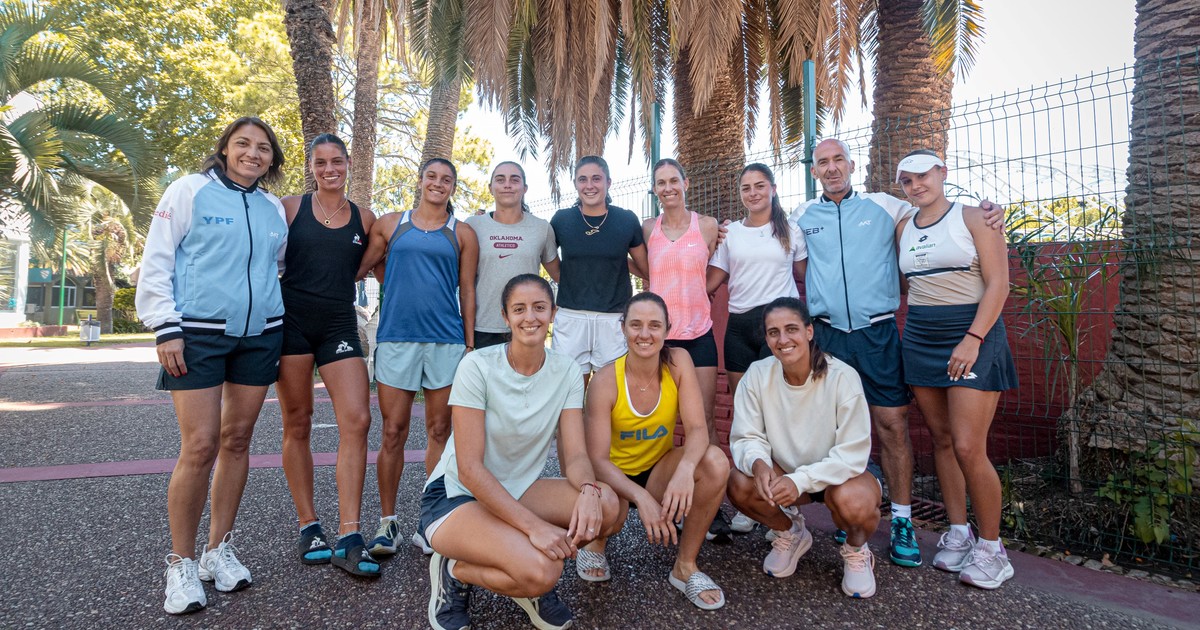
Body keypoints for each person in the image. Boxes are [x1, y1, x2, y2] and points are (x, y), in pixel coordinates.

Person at [789, 138, 1004, 567]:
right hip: (828, 337)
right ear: (813, 171)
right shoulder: (801, 215)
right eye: (822, 162)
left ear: (852, 165)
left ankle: (902, 520)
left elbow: (936, 217)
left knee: (891, 425)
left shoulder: (889, 207)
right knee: (833, 430)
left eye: (838, 160)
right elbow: (791, 258)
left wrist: (989, 212)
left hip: (878, 333)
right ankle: (846, 512)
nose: (831, 168)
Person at [136, 117, 288, 614]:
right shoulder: (189, 191)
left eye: (263, 148)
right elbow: (158, 258)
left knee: (238, 440)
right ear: (224, 149)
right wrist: (165, 326)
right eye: (243, 144)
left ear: (271, 159)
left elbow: (275, 266)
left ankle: (217, 550)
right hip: (196, 334)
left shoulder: (272, 209)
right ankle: (179, 563)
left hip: (259, 336)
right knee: (200, 445)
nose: (253, 153)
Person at [421, 274, 622, 630]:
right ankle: (455, 571)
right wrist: (535, 529)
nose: (530, 317)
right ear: (505, 316)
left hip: (518, 488)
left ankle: (519, 561)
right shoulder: (477, 366)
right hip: (456, 495)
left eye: (539, 307)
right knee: (544, 572)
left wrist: (589, 489)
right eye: (519, 309)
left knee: (607, 505)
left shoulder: (567, 370)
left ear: (553, 313)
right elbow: (469, 469)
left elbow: (576, 455)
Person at [894, 150, 1017, 589]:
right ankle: (959, 533)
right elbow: (909, 284)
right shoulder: (903, 226)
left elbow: (999, 284)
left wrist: (973, 338)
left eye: (923, 176)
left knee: (968, 446)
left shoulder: (977, 217)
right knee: (942, 441)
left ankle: (992, 549)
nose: (916, 186)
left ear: (942, 173)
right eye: (907, 181)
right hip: (921, 337)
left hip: (972, 335)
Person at [356, 158, 479, 557]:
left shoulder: (462, 233)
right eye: (432, 177)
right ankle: (388, 523)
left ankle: (431, 523)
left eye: (446, 179)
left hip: (446, 341)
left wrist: (470, 344)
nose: (438, 184)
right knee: (393, 431)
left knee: (440, 432)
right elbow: (363, 267)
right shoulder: (391, 224)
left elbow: (467, 290)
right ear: (421, 180)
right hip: (397, 339)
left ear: (453, 187)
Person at [726, 297, 882, 599]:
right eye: (773, 332)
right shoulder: (757, 375)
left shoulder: (842, 377)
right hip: (787, 471)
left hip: (841, 476)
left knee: (854, 503)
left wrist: (800, 480)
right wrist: (758, 462)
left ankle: (855, 550)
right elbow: (746, 435)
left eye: (791, 329)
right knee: (739, 483)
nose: (783, 340)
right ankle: (790, 532)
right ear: (767, 339)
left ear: (809, 331)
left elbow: (852, 454)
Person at [582, 292, 729, 610]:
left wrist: (685, 470)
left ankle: (685, 566)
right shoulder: (605, 381)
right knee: (611, 512)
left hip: (657, 470)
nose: (644, 334)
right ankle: (596, 542)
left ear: (667, 329)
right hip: (613, 477)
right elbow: (597, 459)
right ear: (623, 328)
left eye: (654, 325)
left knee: (715, 462)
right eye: (635, 325)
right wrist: (642, 498)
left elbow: (698, 430)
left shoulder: (678, 362)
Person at [275, 133, 379, 577]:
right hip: (291, 324)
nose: (329, 169)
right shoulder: (289, 209)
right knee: (297, 422)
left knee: (357, 419)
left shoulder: (364, 218)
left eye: (337, 161)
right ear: (311, 166)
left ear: (348, 163)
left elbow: (375, 264)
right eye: (321, 162)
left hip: (338, 323)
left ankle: (350, 534)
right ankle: (309, 526)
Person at [639, 158, 735, 540]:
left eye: (673, 181)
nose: (667, 188)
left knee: (704, 421)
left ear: (686, 183)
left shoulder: (708, 226)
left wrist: (700, 289)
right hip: (660, 340)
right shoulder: (648, 228)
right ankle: (666, 499)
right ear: (655, 189)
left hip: (699, 336)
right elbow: (641, 267)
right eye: (660, 183)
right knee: (663, 420)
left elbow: (717, 267)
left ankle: (711, 506)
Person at [550, 155, 649, 385]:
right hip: (571, 318)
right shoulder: (562, 220)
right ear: (575, 184)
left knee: (610, 392)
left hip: (613, 320)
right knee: (568, 391)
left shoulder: (626, 220)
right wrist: (566, 279)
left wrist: (617, 258)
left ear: (608, 182)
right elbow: (546, 256)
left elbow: (645, 269)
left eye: (596, 178)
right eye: (582, 179)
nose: (589, 185)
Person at [465, 161, 560, 350]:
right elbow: (464, 282)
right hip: (484, 328)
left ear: (524, 188)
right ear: (490, 188)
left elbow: (560, 276)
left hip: (527, 325)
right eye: (500, 180)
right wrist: (469, 341)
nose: (507, 185)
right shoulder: (473, 225)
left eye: (514, 180)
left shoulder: (542, 228)